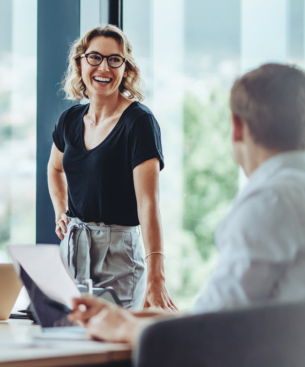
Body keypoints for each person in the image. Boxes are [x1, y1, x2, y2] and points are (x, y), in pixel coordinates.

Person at [69, 63, 305, 344]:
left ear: (237, 128)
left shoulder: (270, 203)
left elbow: (210, 330)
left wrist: (123, 328)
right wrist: (127, 317)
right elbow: (219, 313)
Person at [49, 25, 175, 310]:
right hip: (72, 247)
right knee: (67, 341)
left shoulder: (139, 122)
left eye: (114, 59)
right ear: (80, 63)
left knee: (112, 347)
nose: (103, 67)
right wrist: (61, 211)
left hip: (118, 254)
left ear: (126, 68)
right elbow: (55, 169)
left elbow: (148, 205)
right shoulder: (69, 119)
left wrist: (157, 276)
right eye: (94, 57)